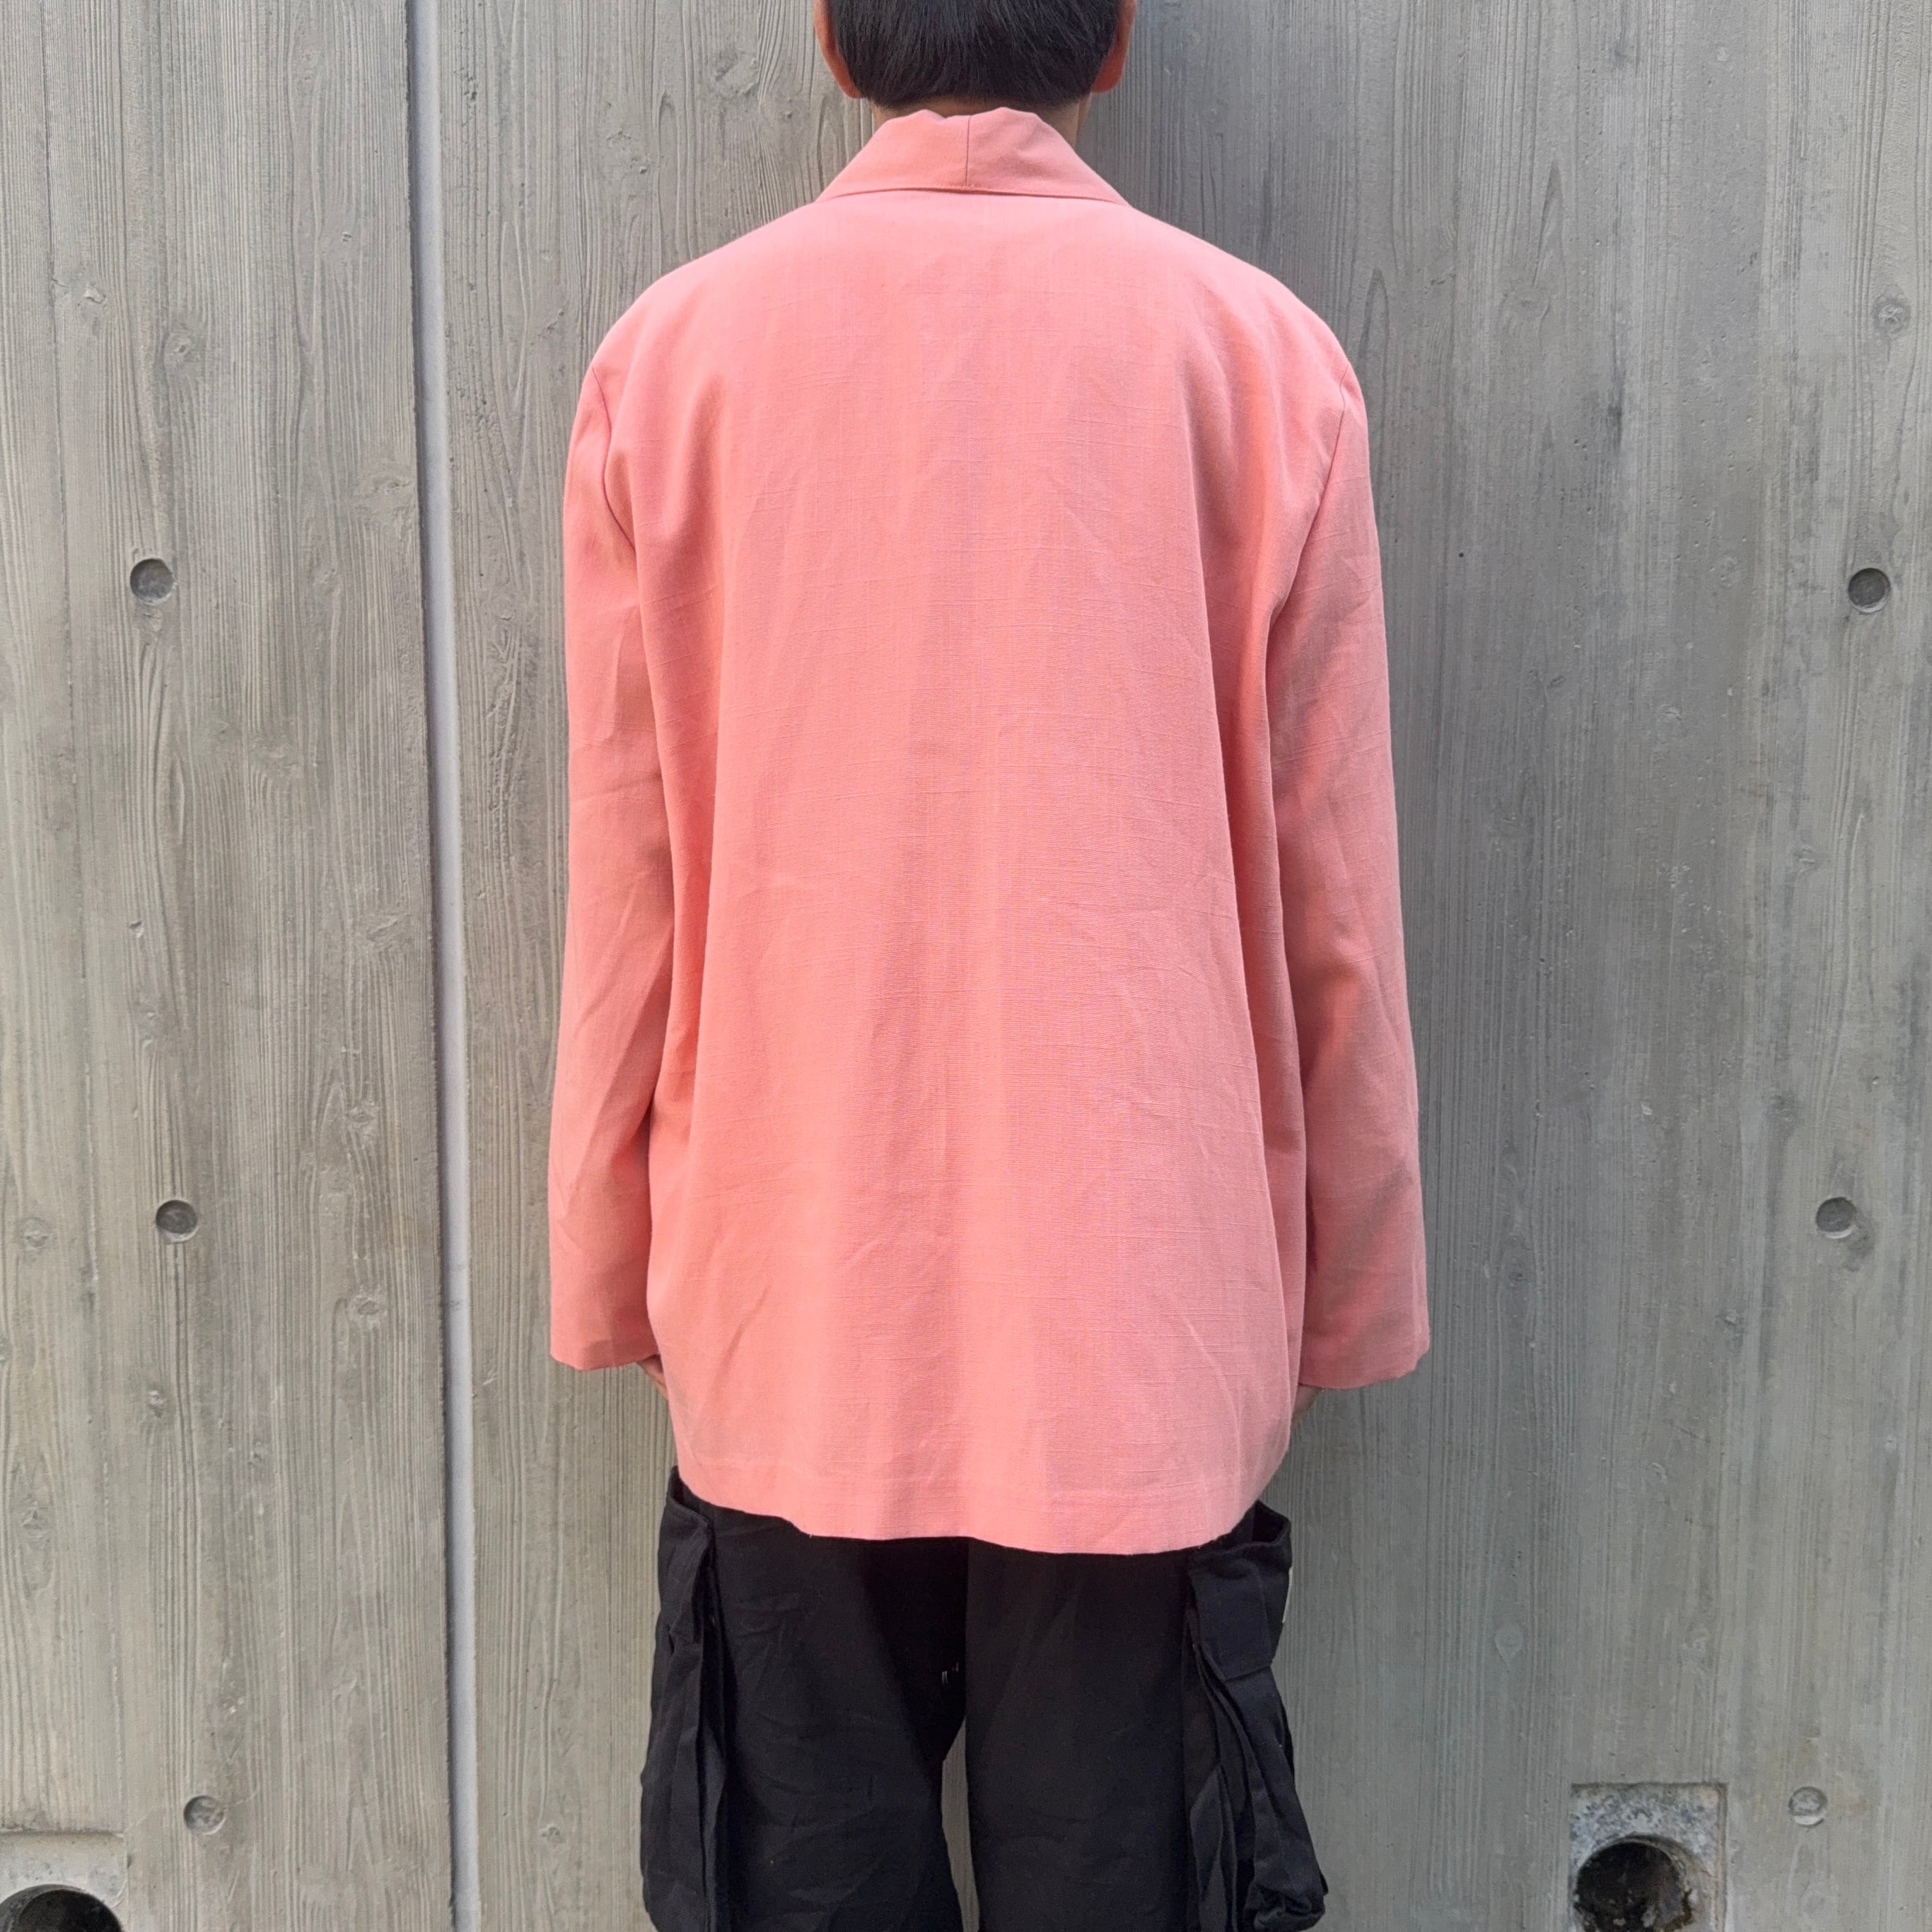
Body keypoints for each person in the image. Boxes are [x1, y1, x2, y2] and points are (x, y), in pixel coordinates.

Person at [547, 1, 1429, 1925]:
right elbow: (1331, 900)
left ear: (831, 36)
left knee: (805, 1881)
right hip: (1135, 1313)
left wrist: (610, 1262)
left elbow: (631, 867)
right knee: (1128, 1882)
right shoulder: (1254, 358)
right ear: (1109, 42)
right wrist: (1346, 1286)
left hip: (788, 1289)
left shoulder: (676, 360)